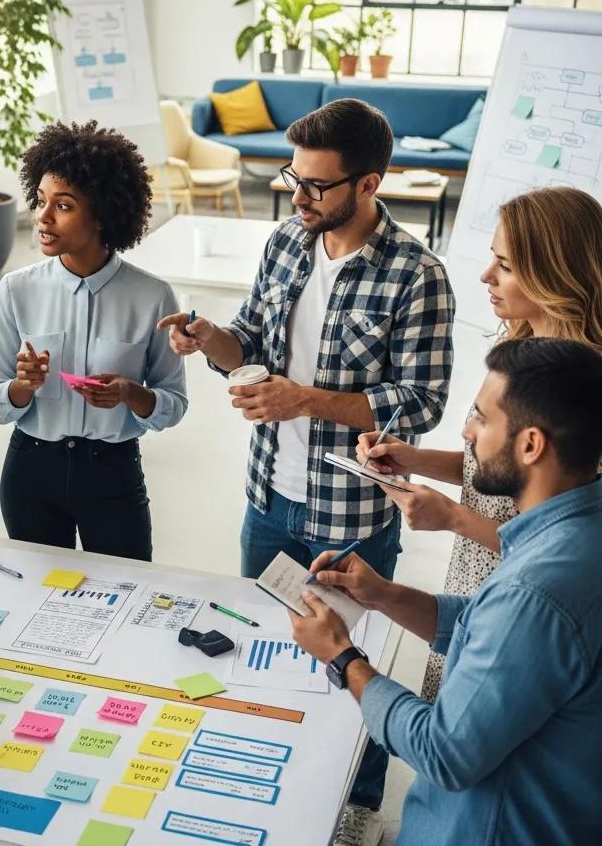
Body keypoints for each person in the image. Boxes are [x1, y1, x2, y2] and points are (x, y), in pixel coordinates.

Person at [159, 98, 455, 845]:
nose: (298, 197)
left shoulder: (418, 276)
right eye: (295, 179)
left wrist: (306, 400)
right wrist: (210, 339)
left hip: (351, 516)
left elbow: (419, 405)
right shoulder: (288, 242)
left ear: (369, 184)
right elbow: (250, 341)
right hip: (268, 499)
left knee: (351, 667)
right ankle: (273, 787)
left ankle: (354, 809)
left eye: (316, 186)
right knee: (263, 648)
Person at [290, 337, 602, 846]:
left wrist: (343, 658)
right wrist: (385, 595)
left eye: (481, 417)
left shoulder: (534, 591)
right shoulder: (575, 531)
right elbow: (487, 628)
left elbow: (443, 752)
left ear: (530, 445)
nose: (467, 431)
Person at [357, 186, 602, 699]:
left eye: (506, 265)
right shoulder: (517, 344)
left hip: (531, 597)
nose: (486, 276)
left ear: (554, 273)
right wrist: (414, 459)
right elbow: (491, 467)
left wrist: (452, 518)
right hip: (475, 572)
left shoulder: (585, 390)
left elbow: (566, 551)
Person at [0, 120, 187, 561]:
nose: (42, 216)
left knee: (128, 595)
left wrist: (131, 393)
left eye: (63, 205)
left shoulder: (152, 296)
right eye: (40, 201)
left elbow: (173, 404)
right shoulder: (17, 290)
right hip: (31, 472)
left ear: (101, 214)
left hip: (112, 473)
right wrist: (22, 387)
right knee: (36, 602)